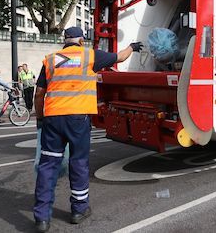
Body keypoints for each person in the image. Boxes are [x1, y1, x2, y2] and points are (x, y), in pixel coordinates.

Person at [33, 26, 143, 232]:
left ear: (64, 41)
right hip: (78, 119)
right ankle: (78, 210)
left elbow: (39, 93)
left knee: (48, 165)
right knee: (79, 162)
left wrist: (40, 119)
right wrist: (133, 47)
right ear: (81, 41)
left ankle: (41, 217)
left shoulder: (50, 59)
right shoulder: (90, 56)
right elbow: (120, 57)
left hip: (53, 119)